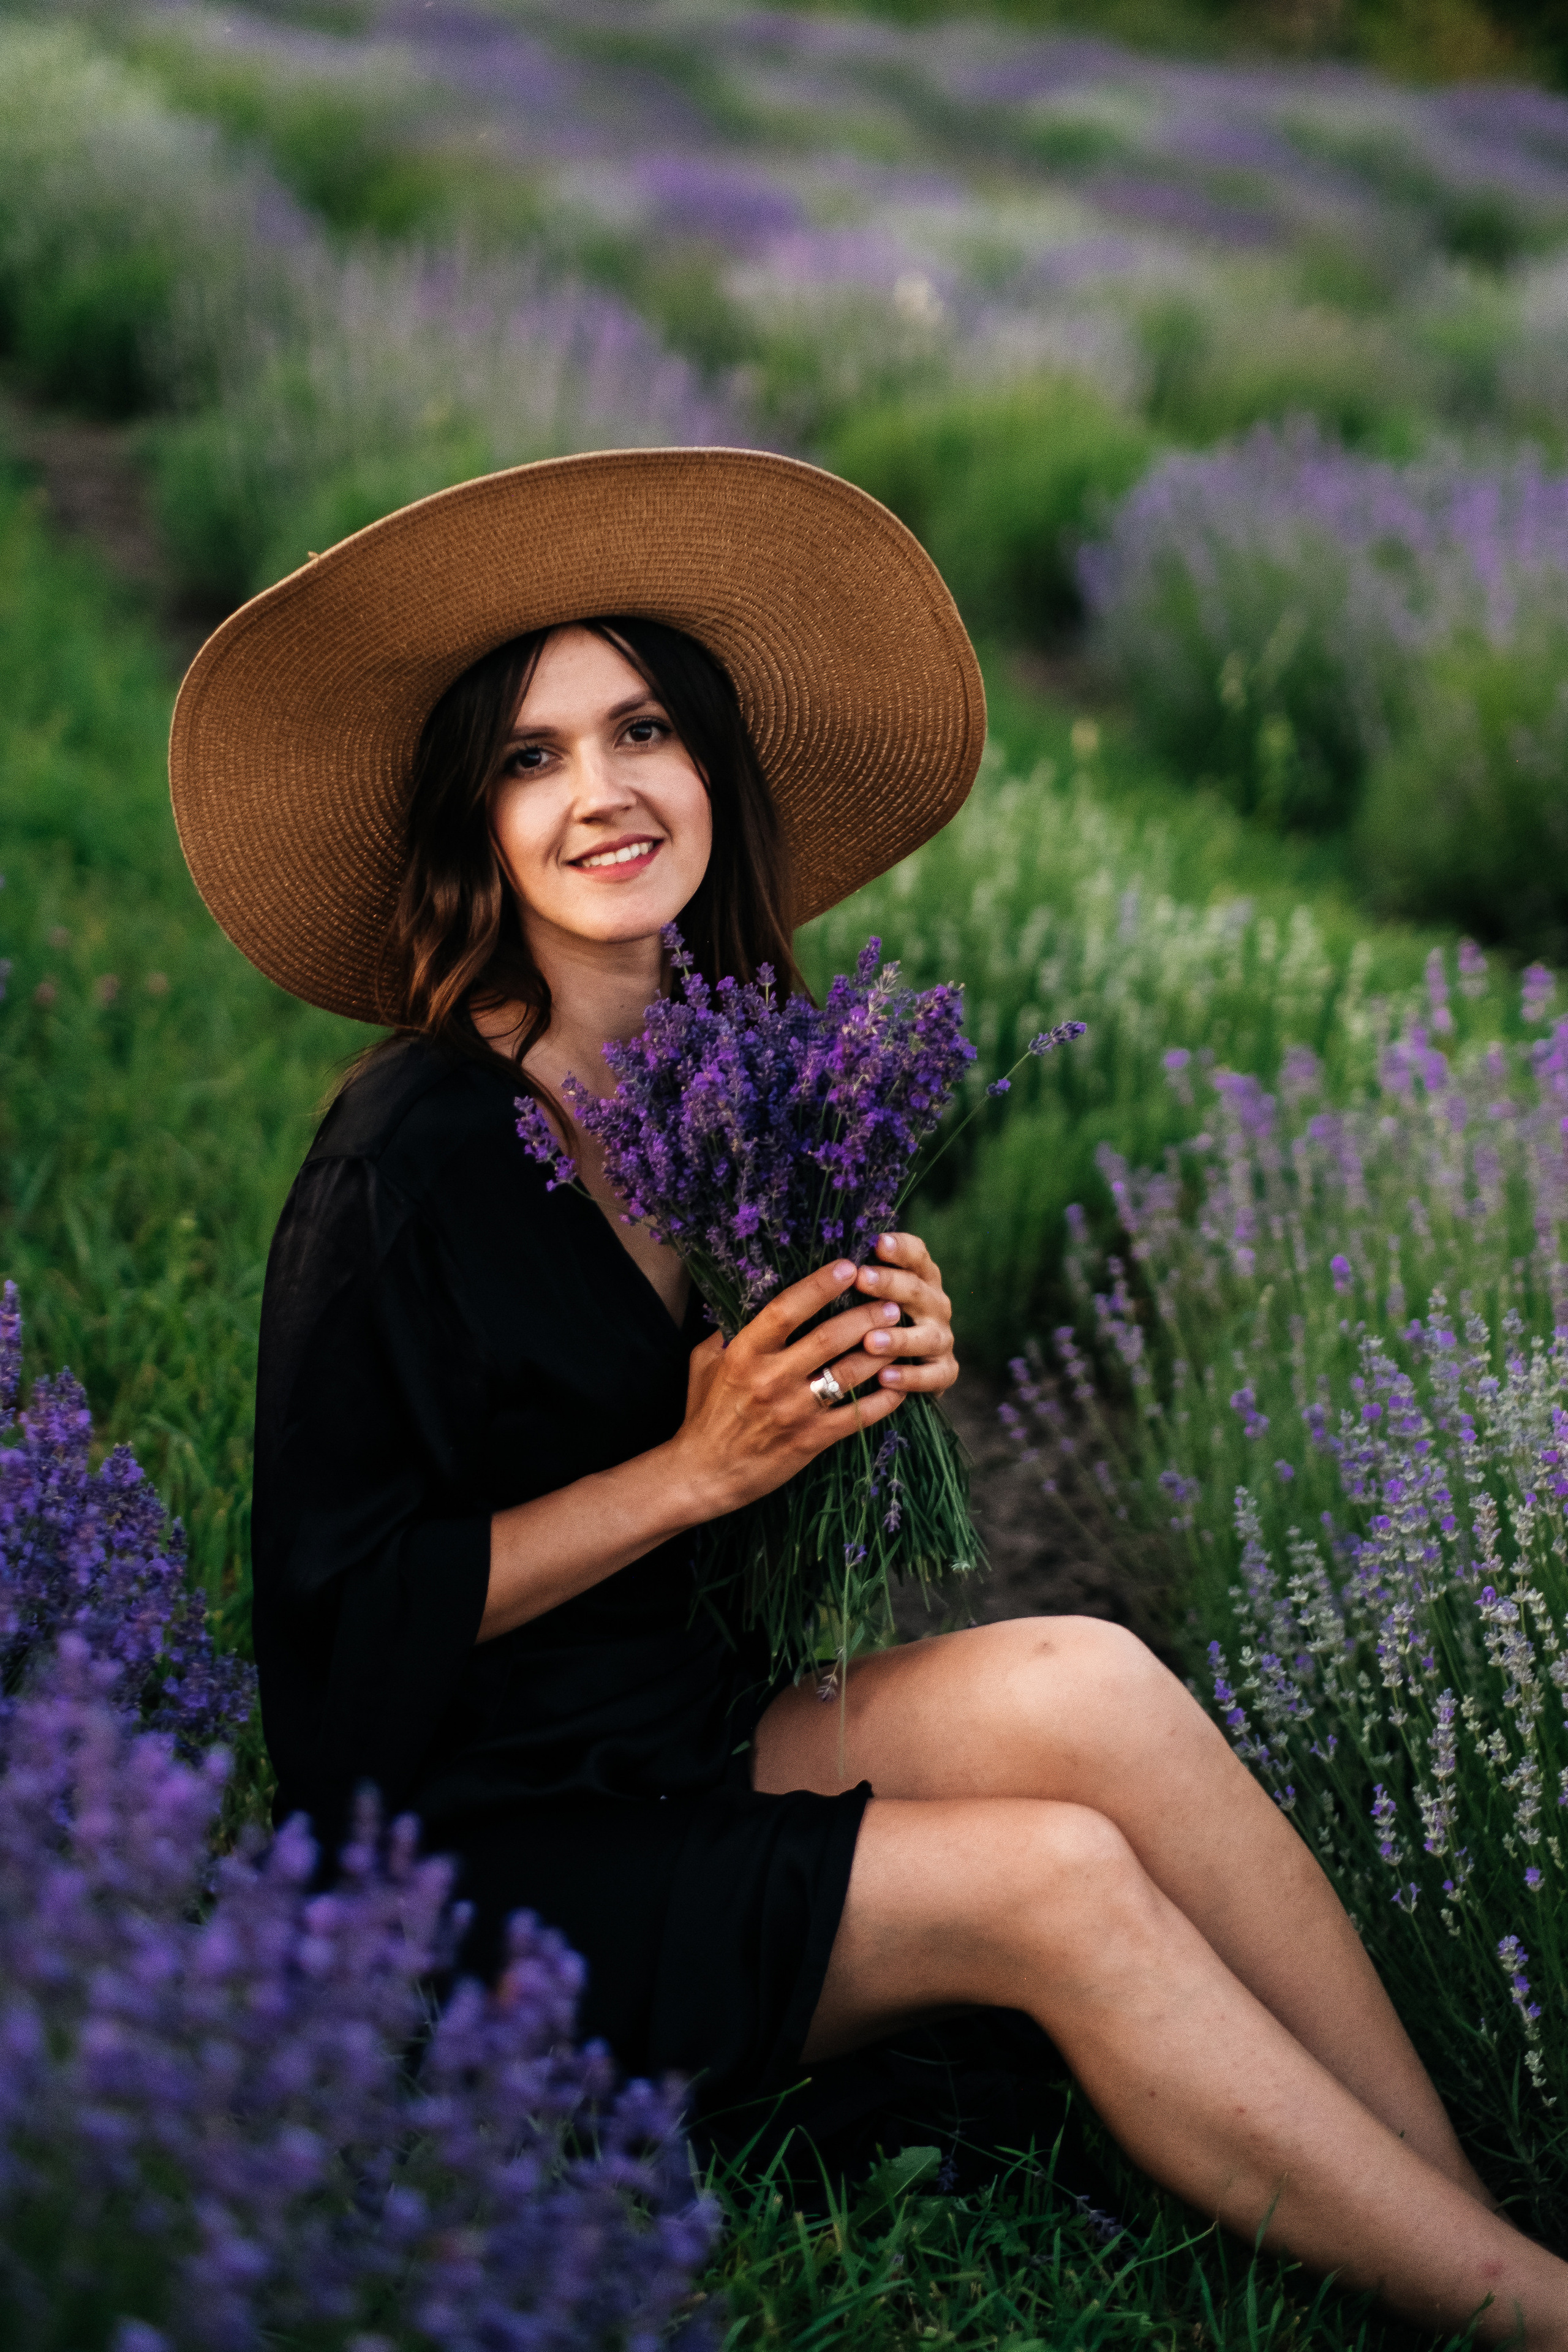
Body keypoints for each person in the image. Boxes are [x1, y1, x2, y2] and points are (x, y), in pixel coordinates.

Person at [171, 449, 1568, 2348]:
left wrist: (864, 1375)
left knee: (1092, 1679)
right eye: (532, 755)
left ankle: (1450, 2207)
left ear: (710, 768)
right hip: (472, 1870)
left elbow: (766, 1522)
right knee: (1057, 1885)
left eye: (643, 726)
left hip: (675, 1734)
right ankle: (1523, 2314)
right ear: (474, 831)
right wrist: (690, 1468)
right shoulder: (404, 1165)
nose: (603, 791)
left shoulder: (732, 1093)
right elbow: (334, 1641)